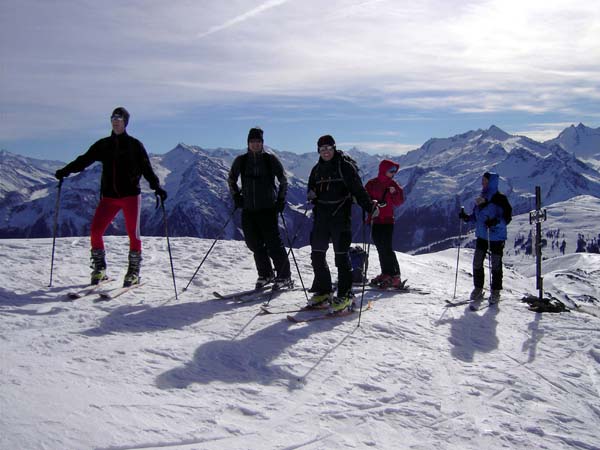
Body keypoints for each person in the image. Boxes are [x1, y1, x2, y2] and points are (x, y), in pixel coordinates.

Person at [54, 107, 167, 287]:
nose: (116, 121)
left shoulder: (134, 145)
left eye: (119, 118)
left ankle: (133, 272)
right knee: (96, 231)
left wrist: (156, 187)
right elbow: (84, 160)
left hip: (130, 196)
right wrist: (65, 171)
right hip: (109, 197)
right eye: (113, 118)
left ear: (125, 122)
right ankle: (100, 269)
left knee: (133, 234)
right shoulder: (103, 145)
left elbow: (146, 168)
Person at [307, 135, 378, 312]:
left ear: (334, 148)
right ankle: (324, 291)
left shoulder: (344, 167)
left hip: (340, 217)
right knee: (317, 254)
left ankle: (346, 294)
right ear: (319, 151)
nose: (326, 152)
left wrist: (369, 207)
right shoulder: (316, 170)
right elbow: (311, 188)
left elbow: (357, 189)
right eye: (322, 149)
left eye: (328, 148)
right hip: (321, 218)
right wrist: (311, 194)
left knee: (341, 256)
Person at [227, 127, 292, 290]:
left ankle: (284, 276)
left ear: (262, 143)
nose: (255, 144)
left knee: (273, 243)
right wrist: (236, 197)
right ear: (248, 143)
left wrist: (281, 200)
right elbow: (231, 179)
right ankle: (266, 274)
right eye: (252, 142)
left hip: (268, 209)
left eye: (258, 142)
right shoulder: (241, 161)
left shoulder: (270, 160)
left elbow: (283, 180)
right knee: (253, 243)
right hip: (248, 209)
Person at [459, 172, 511, 305]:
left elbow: (506, 218)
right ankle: (478, 288)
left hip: (496, 236)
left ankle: (495, 291)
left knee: (495, 264)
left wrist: (495, 222)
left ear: (491, 182)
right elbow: (477, 216)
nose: (483, 183)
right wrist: (467, 217)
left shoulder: (500, 199)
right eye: (482, 180)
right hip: (482, 234)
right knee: (477, 262)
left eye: (485, 181)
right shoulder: (482, 197)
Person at [365, 159, 405, 288]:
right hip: (376, 219)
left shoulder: (393, 185)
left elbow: (399, 202)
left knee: (386, 247)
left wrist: (395, 193)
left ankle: (395, 275)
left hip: (387, 220)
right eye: (391, 171)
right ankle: (386, 273)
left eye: (394, 171)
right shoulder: (372, 184)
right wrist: (373, 203)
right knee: (380, 247)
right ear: (384, 170)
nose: (393, 174)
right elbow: (364, 198)